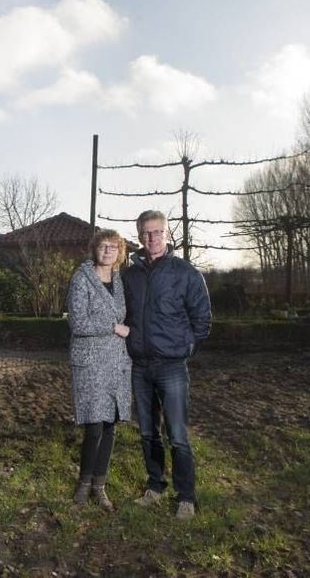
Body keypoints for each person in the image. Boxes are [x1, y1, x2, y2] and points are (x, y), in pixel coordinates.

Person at [122, 210, 211, 520]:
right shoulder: (129, 275)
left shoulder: (185, 272)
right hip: (140, 366)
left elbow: (202, 319)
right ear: (139, 235)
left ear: (168, 234)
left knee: (178, 435)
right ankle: (155, 486)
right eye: (146, 232)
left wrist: (186, 348)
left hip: (172, 366)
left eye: (158, 232)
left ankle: (185, 496)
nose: (152, 238)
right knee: (148, 432)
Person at [66, 230, 133, 510]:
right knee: (94, 426)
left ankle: (100, 486)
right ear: (95, 249)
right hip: (91, 362)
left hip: (116, 360)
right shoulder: (82, 279)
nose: (108, 251)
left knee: (110, 426)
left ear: (120, 252)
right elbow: (78, 324)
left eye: (114, 247)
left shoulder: (119, 280)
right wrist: (112, 327)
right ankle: (84, 483)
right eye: (104, 246)